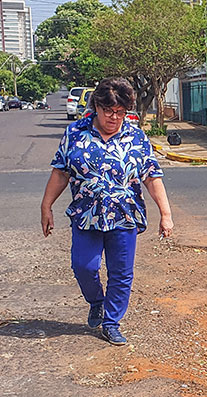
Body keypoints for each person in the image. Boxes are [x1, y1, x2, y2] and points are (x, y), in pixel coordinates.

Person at [39, 78, 174, 346]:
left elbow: (151, 176)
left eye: (120, 112)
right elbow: (61, 171)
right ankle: (96, 302)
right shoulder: (76, 133)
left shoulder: (136, 137)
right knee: (83, 266)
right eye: (108, 111)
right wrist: (46, 206)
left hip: (124, 216)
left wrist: (165, 213)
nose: (114, 117)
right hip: (86, 215)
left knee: (121, 273)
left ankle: (111, 322)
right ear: (96, 107)